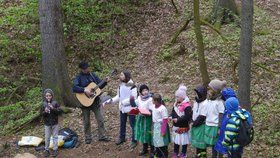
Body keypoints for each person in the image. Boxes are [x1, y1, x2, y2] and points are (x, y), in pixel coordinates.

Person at [72, 61, 110, 144]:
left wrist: (105, 82)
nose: (87, 69)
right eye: (85, 68)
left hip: (95, 101)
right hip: (84, 103)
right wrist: (84, 89)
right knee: (86, 121)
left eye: (88, 67)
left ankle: (102, 136)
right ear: (81, 69)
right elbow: (74, 87)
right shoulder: (78, 77)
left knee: (100, 119)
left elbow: (100, 86)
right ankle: (88, 138)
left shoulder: (93, 75)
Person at [104, 70, 138, 148]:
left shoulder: (132, 85)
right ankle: (122, 138)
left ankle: (134, 140)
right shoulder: (121, 85)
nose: (120, 76)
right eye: (120, 75)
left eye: (122, 75)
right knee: (122, 124)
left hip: (131, 109)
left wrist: (124, 102)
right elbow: (118, 96)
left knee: (133, 124)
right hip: (122, 108)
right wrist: (110, 101)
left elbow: (133, 98)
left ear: (126, 76)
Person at [202, 79, 226, 158]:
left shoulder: (219, 102)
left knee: (217, 144)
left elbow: (221, 115)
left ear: (215, 90)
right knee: (212, 145)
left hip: (215, 126)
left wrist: (219, 127)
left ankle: (219, 156)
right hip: (208, 124)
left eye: (210, 88)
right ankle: (214, 156)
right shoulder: (208, 100)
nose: (208, 90)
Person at [131, 84, 154, 157]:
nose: (146, 92)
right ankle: (145, 148)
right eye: (144, 90)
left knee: (148, 133)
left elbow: (152, 109)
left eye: (146, 90)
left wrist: (148, 112)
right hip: (141, 118)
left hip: (148, 119)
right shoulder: (139, 98)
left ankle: (152, 150)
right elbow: (135, 105)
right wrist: (132, 101)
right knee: (143, 133)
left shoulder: (150, 99)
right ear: (141, 92)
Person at [170, 85, 192, 158]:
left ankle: (183, 153)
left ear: (182, 97)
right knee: (176, 140)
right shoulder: (176, 104)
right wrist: (171, 117)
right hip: (176, 126)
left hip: (183, 126)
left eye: (177, 97)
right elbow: (173, 112)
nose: (176, 98)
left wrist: (178, 119)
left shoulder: (187, 106)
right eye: (176, 97)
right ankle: (176, 152)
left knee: (184, 140)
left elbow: (187, 117)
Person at [214, 88, 237, 156]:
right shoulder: (227, 111)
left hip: (227, 142)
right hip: (223, 139)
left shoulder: (231, 114)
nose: (222, 101)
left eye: (224, 99)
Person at [41, 89, 62, 157]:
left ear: (52, 96)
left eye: (49, 95)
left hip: (55, 123)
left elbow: (59, 112)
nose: (48, 97)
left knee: (55, 137)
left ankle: (55, 150)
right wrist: (45, 111)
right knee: (47, 137)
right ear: (45, 96)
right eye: (47, 96)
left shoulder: (55, 103)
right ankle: (46, 150)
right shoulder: (43, 104)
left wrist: (53, 108)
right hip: (47, 124)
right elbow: (41, 114)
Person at [190, 85, 208, 158]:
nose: (196, 94)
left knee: (202, 144)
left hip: (201, 126)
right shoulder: (196, 102)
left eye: (198, 93)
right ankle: (198, 155)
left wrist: (194, 124)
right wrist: (191, 121)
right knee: (197, 143)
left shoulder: (205, 103)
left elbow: (202, 117)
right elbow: (193, 112)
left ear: (202, 94)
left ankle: (203, 156)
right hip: (195, 125)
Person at [152, 94, 170, 158]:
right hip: (156, 127)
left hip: (161, 127)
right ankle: (158, 154)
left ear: (156, 101)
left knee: (162, 143)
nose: (152, 101)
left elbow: (165, 120)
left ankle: (164, 155)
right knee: (157, 142)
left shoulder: (162, 108)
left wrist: (163, 131)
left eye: (153, 100)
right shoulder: (153, 106)